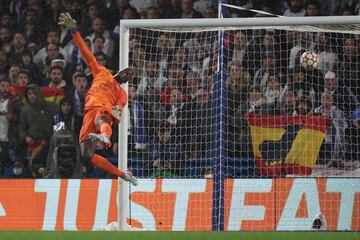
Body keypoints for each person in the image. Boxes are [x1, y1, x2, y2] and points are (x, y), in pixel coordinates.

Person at [58, 12, 137, 185]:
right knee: (87, 157)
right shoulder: (102, 72)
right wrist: (74, 30)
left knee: (103, 117)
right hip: (88, 113)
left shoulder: (121, 93)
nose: (127, 74)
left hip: (102, 110)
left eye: (130, 76)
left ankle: (105, 137)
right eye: (127, 71)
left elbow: (118, 110)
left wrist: (113, 117)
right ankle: (122, 174)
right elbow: (86, 53)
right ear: (120, 70)